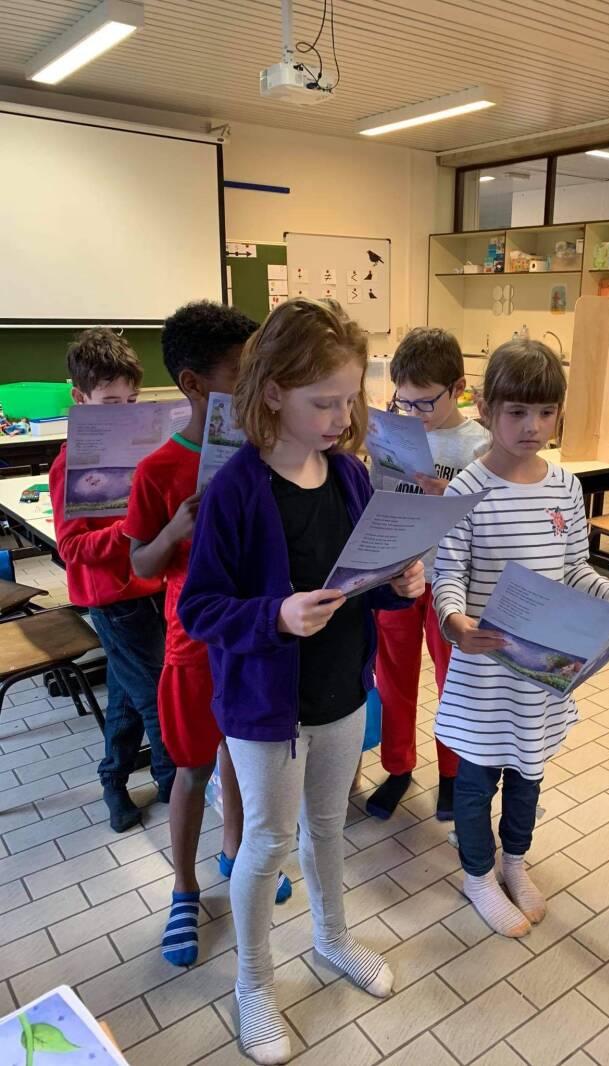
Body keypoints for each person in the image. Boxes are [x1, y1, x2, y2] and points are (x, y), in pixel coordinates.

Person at [178, 298, 425, 1065]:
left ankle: (332, 938)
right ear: (274, 392)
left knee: (326, 829)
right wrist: (276, 616)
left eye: (349, 400)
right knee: (267, 843)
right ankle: (253, 981)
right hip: (265, 711)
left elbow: (362, 584)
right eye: (324, 402)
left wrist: (401, 585)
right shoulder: (236, 489)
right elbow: (199, 608)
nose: (340, 417)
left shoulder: (348, 475)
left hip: (341, 694)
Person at [432, 339, 609, 938]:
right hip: (484, 671)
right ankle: (477, 875)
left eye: (546, 412)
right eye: (517, 412)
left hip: (540, 673)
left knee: (528, 775)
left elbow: (575, 567)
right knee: (476, 781)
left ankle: (514, 862)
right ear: (486, 410)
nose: (532, 426)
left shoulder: (564, 488)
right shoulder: (466, 490)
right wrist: (455, 622)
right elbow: (447, 574)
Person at [124, 301, 290, 970]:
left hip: (249, 637)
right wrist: (175, 530)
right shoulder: (158, 470)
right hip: (193, 646)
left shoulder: (262, 455)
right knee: (192, 767)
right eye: (241, 373)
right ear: (194, 385)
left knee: (240, 756)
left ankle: (235, 850)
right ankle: (184, 889)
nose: (256, 384)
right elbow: (140, 565)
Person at [49, 328, 175, 832]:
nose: (123, 413)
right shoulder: (70, 464)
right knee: (158, 701)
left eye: (131, 402)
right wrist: (131, 530)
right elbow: (72, 549)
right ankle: (175, 787)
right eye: (110, 403)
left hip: (154, 589)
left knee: (126, 694)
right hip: (114, 601)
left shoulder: (142, 452)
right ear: (79, 399)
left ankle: (113, 780)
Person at [368, 328, 490, 822]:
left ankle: (452, 774)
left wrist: (451, 497)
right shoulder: (392, 433)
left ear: (458, 388)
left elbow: (493, 520)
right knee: (392, 677)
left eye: (425, 403)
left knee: (451, 681)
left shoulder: (479, 444)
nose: (414, 413)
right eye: (405, 402)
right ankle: (397, 767)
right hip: (397, 573)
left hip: (451, 582)